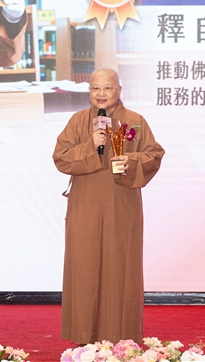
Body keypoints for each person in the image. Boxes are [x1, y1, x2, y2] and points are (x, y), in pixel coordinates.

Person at [52, 68, 165, 344]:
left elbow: (154, 155)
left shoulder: (135, 122)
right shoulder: (78, 121)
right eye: (95, 88)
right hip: (85, 206)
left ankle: (122, 338)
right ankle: (84, 337)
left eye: (107, 88)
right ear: (89, 91)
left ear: (119, 90)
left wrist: (132, 161)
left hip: (121, 205)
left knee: (120, 268)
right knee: (85, 267)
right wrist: (90, 146)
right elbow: (61, 158)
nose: (101, 93)